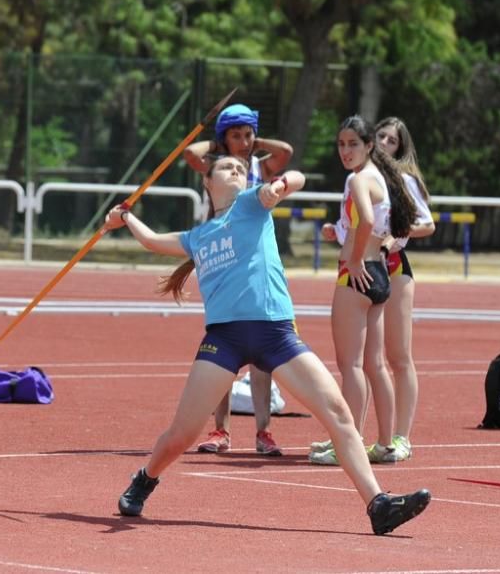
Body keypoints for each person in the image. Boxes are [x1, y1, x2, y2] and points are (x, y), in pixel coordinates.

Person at [107, 154, 431, 534]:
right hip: (223, 339)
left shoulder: (252, 203)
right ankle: (145, 479)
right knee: (183, 433)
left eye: (242, 169)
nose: (237, 172)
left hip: (275, 334)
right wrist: (124, 217)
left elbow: (298, 176)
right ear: (208, 182)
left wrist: (282, 185)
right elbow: (151, 242)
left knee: (339, 414)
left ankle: (378, 505)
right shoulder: (197, 237)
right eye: (228, 168)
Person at [182, 103, 293, 457]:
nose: (243, 142)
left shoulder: (259, 166)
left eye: (248, 135)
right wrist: (216, 144)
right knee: (225, 349)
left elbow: (286, 152)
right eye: (236, 135)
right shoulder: (217, 167)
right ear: (222, 137)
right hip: (225, 257)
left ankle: (264, 433)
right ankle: (220, 431)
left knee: (262, 355)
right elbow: (189, 153)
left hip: (258, 260)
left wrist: (255, 140)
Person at [310, 115, 418, 466]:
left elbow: (368, 222)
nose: (345, 151)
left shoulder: (359, 178)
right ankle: (385, 442)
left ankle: (350, 441)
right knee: (375, 365)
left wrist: (353, 261)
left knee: (351, 366)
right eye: (341, 144)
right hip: (379, 274)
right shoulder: (380, 178)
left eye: (353, 144)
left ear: (369, 145)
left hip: (356, 276)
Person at [371, 116, 435, 460]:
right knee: (366, 358)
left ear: (400, 147)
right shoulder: (362, 176)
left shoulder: (404, 179)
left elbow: (428, 223)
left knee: (398, 356)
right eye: (379, 135)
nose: (383, 142)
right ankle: (367, 435)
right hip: (364, 268)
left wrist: (399, 235)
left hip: (395, 269)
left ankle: (402, 436)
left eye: (390, 140)